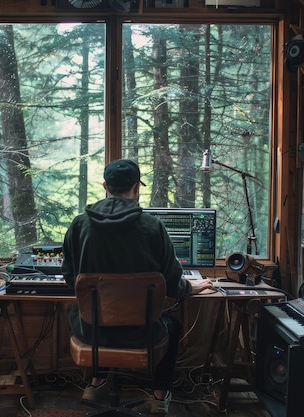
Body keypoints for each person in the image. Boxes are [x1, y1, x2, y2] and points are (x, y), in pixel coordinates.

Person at [61, 159, 213, 415]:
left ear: (105, 186)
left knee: (84, 315)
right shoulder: (153, 226)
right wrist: (192, 287)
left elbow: (70, 278)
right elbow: (173, 284)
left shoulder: (79, 225)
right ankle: (159, 396)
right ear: (137, 187)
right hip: (142, 335)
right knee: (172, 325)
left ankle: (96, 382)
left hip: (92, 334)